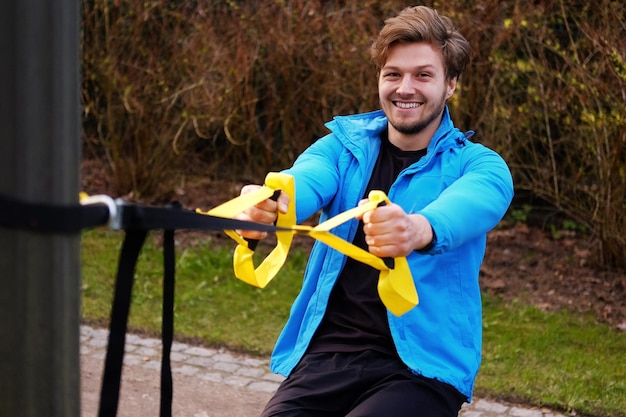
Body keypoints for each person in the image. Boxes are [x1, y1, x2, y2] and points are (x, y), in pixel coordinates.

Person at [236, 5, 514, 417]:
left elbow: (468, 206)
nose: (405, 88)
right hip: (329, 354)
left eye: (423, 75)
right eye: (393, 74)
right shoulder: (339, 147)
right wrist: (272, 206)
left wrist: (417, 229)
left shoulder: (480, 165)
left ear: (451, 84)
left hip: (422, 371)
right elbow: (305, 181)